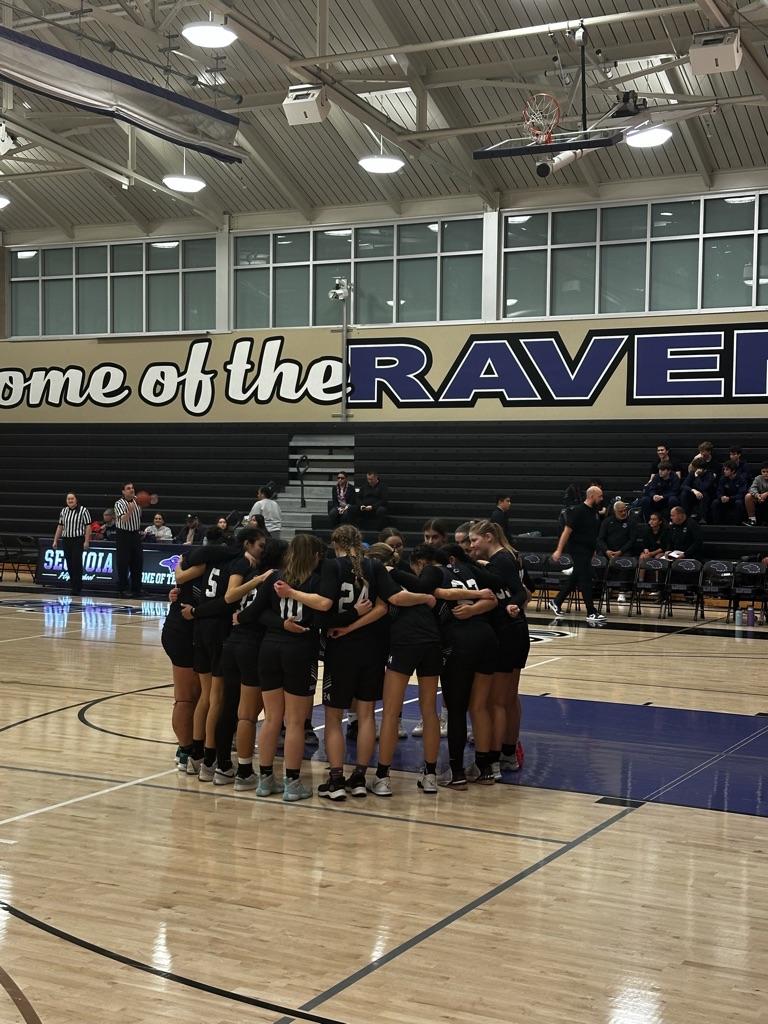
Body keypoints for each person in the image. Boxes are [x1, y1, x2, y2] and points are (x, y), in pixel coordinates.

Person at [317, 525, 430, 800]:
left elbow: (324, 607)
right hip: (372, 649)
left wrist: (345, 627)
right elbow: (385, 606)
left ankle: (335, 780)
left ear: (336, 544)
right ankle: (358, 778)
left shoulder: (332, 567)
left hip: (340, 649)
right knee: (367, 715)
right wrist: (426, 597)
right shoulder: (375, 566)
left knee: (334, 718)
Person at [236, 534, 334, 802]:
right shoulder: (317, 580)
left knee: (270, 719)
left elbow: (260, 613)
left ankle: (265, 779)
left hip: (269, 649)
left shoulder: (275, 576)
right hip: (299, 651)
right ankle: (292, 782)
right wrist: (291, 625)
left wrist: (280, 624)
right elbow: (323, 612)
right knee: (293, 722)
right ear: (314, 556)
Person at [468, 522, 531, 779]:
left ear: (488, 537)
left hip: (506, 632)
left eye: (474, 540)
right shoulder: (509, 556)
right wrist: (515, 604)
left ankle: (492, 761)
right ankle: (507, 751)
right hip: (516, 630)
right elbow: (525, 591)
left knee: (496, 701)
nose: (472, 546)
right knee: (507, 698)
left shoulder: (501, 559)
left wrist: (512, 604)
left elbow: (520, 592)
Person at [550, 485, 606, 622]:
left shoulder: (594, 512)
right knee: (585, 580)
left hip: (587, 550)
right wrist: (559, 550)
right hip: (577, 550)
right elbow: (566, 531)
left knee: (575, 578)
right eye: (600, 496)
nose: (602, 499)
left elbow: (591, 533)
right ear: (592, 496)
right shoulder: (578, 511)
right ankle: (591, 612)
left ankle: (556, 602)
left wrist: (593, 549)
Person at [52, 492, 92, 596]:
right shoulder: (64, 511)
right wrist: (55, 540)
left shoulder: (83, 510)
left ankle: (77, 587)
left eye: (72, 499)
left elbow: (88, 527)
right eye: (68, 499)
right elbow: (60, 526)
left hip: (78, 539)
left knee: (76, 563)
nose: (70, 500)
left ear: (76, 499)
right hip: (66, 539)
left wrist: (86, 541)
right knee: (69, 563)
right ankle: (73, 585)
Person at [114, 481, 144, 597]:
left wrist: (151, 500)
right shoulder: (119, 504)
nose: (131, 490)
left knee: (138, 561)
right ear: (123, 491)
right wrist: (130, 511)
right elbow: (123, 519)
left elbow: (148, 501)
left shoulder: (138, 500)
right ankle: (123, 588)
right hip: (123, 535)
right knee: (123, 562)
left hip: (135, 534)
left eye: (132, 488)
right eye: (128, 488)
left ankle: (137, 588)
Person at [710, 460, 747, 526]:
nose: (724, 471)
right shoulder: (723, 479)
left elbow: (742, 493)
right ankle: (716, 525)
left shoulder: (741, 479)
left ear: (733, 471)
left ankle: (737, 525)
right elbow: (719, 490)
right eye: (724, 469)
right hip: (725, 500)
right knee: (715, 502)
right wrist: (721, 496)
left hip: (735, 500)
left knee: (739, 503)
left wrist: (730, 498)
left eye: (727, 469)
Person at [680, 457, 715, 522]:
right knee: (684, 493)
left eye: (695, 468)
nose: (693, 469)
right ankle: (685, 515)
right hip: (694, 493)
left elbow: (703, 487)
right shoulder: (692, 473)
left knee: (703, 494)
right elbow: (683, 486)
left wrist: (696, 476)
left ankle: (703, 518)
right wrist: (693, 490)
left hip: (706, 495)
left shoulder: (709, 475)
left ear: (701, 469)